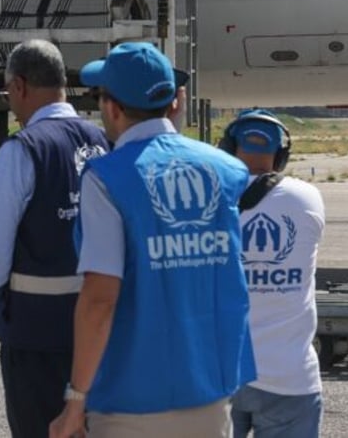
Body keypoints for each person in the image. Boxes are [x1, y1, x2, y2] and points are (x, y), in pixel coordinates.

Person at [50, 42, 256, 438]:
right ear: (175, 103)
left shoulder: (107, 178)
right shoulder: (228, 171)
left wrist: (75, 399)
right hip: (210, 391)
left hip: (132, 398)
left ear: (111, 108)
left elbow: (99, 298)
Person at [0, 40, 109, 437]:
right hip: (98, 334)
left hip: (38, 337)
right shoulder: (101, 141)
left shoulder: (22, 151)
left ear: (20, 87)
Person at [219, 109, 324, 438]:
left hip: (221, 373)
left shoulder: (210, 197)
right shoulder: (306, 198)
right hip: (290, 377)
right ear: (281, 156)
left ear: (227, 146)